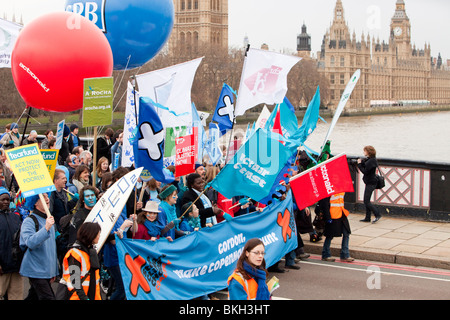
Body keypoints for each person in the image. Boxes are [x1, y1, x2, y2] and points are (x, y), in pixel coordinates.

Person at [19, 193, 59, 300]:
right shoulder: (29, 221)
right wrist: (46, 228)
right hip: (35, 269)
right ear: (35, 203)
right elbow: (30, 242)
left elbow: (51, 249)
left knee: (34, 297)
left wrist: (53, 271)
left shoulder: (49, 220)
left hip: (45, 270)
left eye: (47, 196)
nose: (47, 199)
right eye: (43, 197)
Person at [60, 222, 102, 300]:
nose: (99, 237)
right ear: (91, 235)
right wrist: (84, 298)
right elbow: (75, 280)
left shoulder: (91, 252)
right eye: (97, 234)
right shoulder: (75, 254)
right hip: (77, 297)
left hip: (90, 295)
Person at [0, 187, 24, 300]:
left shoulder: (15, 218)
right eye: (2, 199)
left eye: (7, 200)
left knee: (16, 296)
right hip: (2, 267)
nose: (5, 202)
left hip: (16, 266)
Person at [321, 193, 354, 262]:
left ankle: (345, 255)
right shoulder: (329, 188)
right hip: (333, 215)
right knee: (329, 235)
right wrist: (327, 216)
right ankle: (325, 254)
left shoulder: (341, 188)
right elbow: (324, 203)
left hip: (342, 213)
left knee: (346, 233)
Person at [357, 145, 381, 223]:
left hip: (371, 182)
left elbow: (365, 171)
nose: (364, 152)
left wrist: (359, 164)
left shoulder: (371, 161)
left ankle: (377, 214)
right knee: (367, 200)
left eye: (365, 151)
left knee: (366, 201)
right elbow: (367, 166)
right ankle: (367, 217)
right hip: (370, 182)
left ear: (368, 152)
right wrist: (362, 162)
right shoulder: (371, 160)